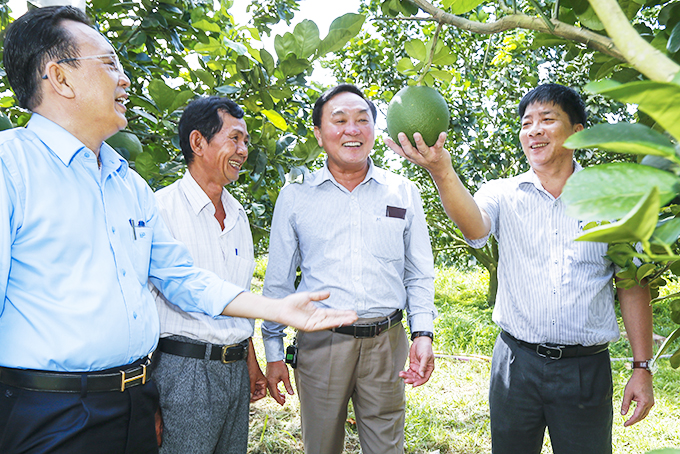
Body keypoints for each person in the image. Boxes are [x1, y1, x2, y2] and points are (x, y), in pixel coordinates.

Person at [0, 7, 356, 454]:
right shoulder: (10, 167)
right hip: (47, 408)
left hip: (132, 398)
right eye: (109, 64)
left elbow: (182, 278)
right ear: (60, 77)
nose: (124, 79)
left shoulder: (126, 183)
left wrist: (277, 310)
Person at [386, 83, 654, 454]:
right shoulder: (503, 194)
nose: (534, 130)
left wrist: (642, 366)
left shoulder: (614, 201)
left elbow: (632, 283)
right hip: (516, 364)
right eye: (527, 123)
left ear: (578, 133)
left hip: (585, 370)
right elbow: (475, 228)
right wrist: (441, 169)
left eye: (547, 119)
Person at [261, 84, 437, 454]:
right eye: (339, 120)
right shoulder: (296, 195)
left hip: (387, 341)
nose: (352, 130)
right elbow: (277, 282)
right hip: (322, 342)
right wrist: (273, 350)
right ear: (319, 133)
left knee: (387, 446)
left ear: (375, 129)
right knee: (321, 445)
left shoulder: (402, 191)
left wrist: (423, 332)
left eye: (362, 120)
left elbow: (418, 272)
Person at [149, 96, 267, 454]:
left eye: (246, 141)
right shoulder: (160, 209)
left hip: (233, 373)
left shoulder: (238, 215)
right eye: (234, 139)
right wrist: (148, 396)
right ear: (198, 142)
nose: (243, 150)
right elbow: (142, 305)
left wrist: (251, 365)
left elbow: (238, 298)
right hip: (182, 371)